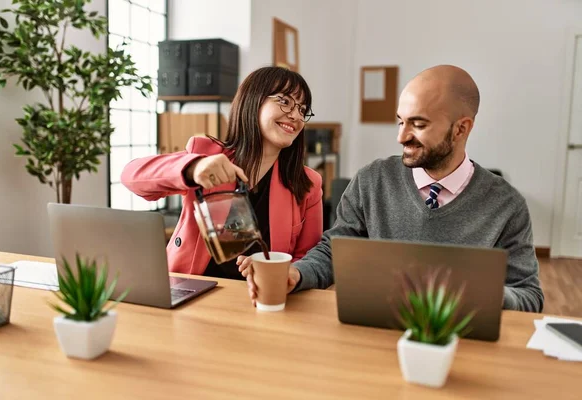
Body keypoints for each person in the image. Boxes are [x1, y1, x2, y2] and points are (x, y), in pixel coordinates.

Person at [243, 64, 544, 312]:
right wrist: (297, 273)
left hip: (460, 344)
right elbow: (333, 250)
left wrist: (477, 295)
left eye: (418, 124)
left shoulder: (507, 205)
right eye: (400, 122)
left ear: (461, 128)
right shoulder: (372, 181)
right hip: (372, 338)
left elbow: (529, 296)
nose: (402, 137)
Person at [121, 66, 323, 281]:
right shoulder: (206, 154)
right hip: (191, 290)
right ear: (253, 100)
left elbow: (308, 259)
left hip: (262, 299)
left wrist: (276, 269)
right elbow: (131, 177)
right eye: (284, 101)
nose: (295, 115)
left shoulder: (308, 183)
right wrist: (193, 168)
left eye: (302, 109)